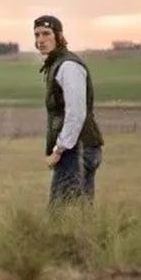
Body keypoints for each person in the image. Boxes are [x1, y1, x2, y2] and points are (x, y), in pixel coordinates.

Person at [33, 15, 104, 207]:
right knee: (80, 212)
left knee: (61, 213)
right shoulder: (57, 64)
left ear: (58, 35)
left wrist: (59, 150)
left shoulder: (68, 66)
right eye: (37, 35)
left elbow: (76, 113)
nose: (40, 40)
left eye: (46, 34)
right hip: (76, 148)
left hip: (77, 149)